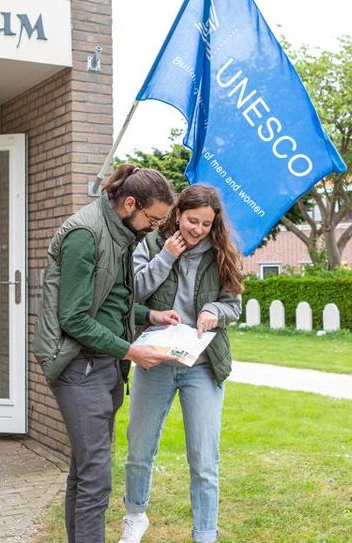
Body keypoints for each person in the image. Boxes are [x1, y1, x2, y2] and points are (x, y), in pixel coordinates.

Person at [32, 164, 182, 543]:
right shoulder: (86, 235)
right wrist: (130, 350)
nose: (154, 228)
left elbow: (110, 302)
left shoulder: (120, 234)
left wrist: (149, 315)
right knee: (96, 478)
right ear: (130, 204)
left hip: (104, 364)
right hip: (78, 366)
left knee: (85, 470)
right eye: (153, 219)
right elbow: (74, 318)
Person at [120, 184, 244, 543]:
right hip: (155, 361)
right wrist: (167, 257)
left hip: (202, 366)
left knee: (204, 459)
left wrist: (214, 310)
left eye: (206, 224)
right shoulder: (150, 244)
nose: (198, 230)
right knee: (139, 449)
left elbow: (233, 305)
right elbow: (132, 293)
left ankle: (205, 534)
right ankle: (135, 516)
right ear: (177, 214)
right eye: (193, 221)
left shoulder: (222, 252)